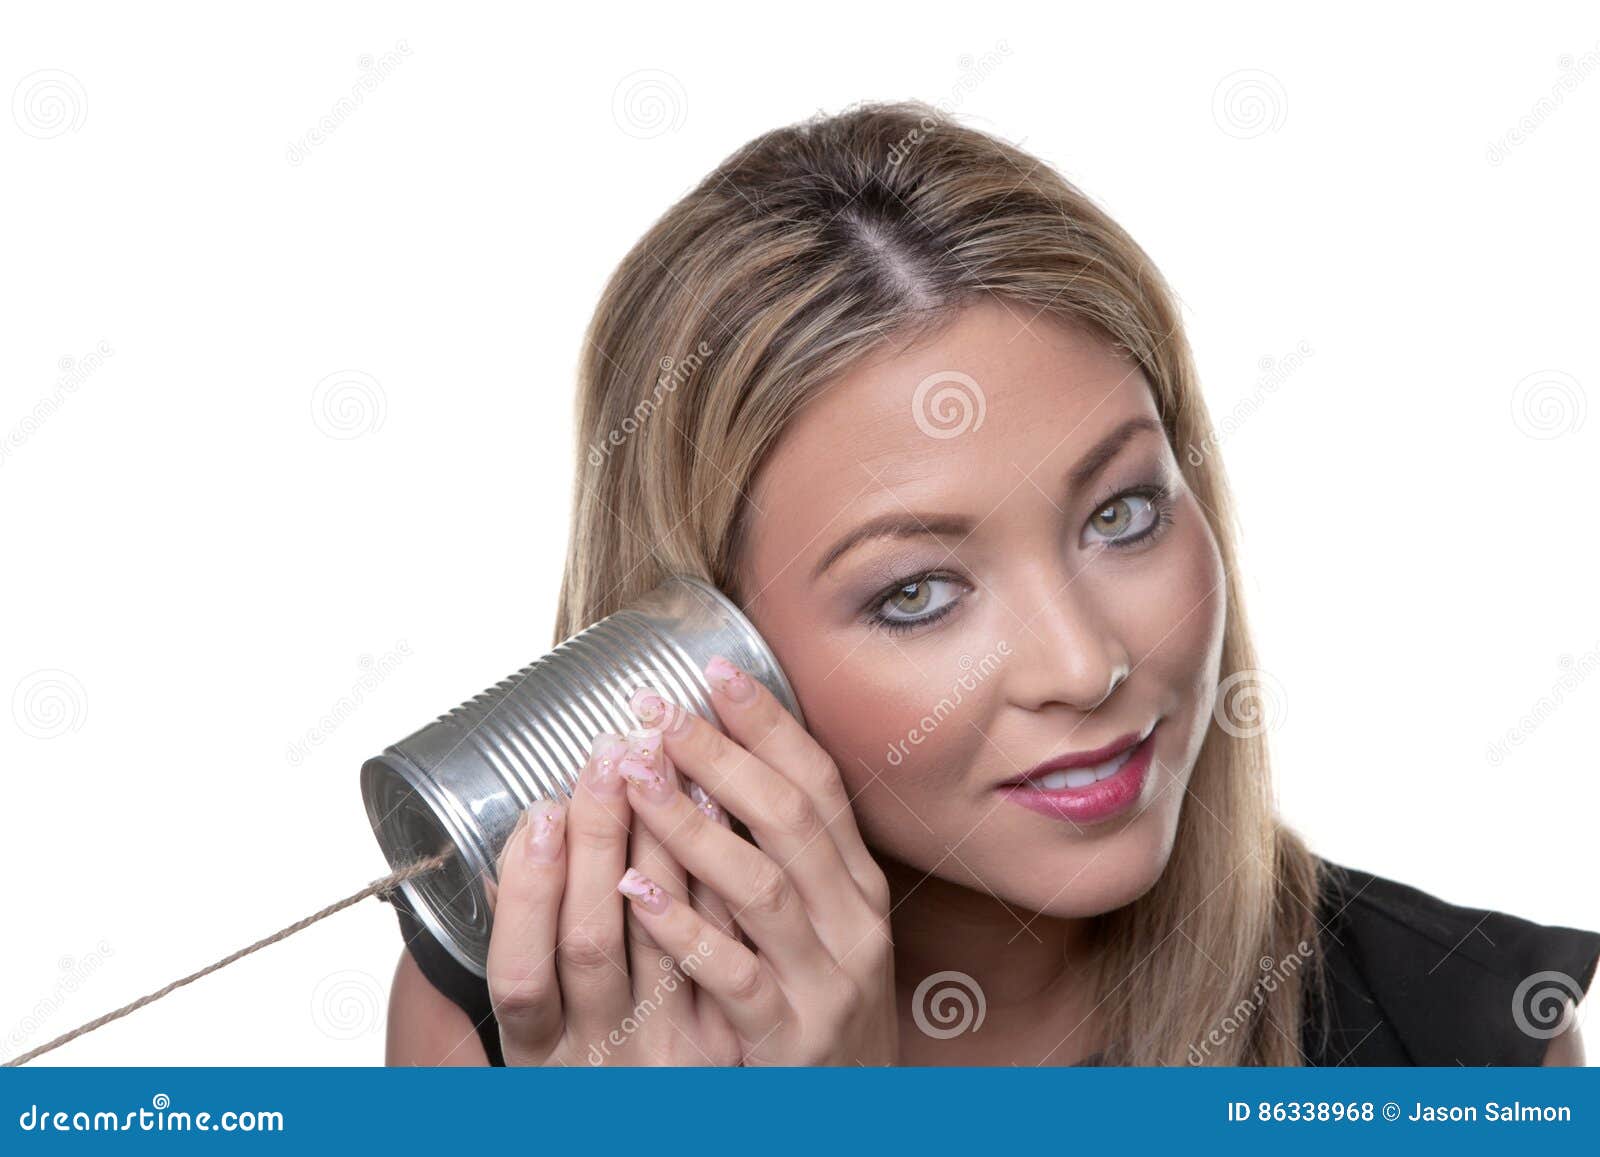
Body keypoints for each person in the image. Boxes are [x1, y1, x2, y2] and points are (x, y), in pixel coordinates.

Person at [383, 100, 1599, 1066]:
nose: (1087, 664)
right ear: (685, 663)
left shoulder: (1463, 1041)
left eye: (1121, 513)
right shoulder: (529, 1024)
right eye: (917, 592)